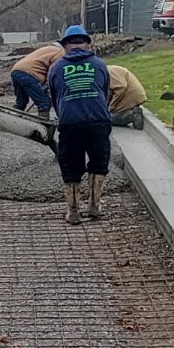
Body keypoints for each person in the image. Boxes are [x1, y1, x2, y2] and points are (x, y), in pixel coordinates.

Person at [46, 25, 112, 225]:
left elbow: (55, 98)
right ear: (87, 44)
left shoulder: (56, 69)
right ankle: (94, 206)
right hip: (98, 121)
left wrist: (66, 116)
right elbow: (105, 91)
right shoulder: (99, 65)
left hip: (71, 123)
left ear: (65, 45)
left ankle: (73, 212)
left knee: (71, 166)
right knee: (99, 163)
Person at [9, 41, 63, 117]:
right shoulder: (60, 52)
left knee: (21, 102)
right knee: (44, 103)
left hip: (16, 71)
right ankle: (44, 126)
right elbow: (52, 72)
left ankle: (12, 121)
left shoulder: (46, 49)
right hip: (28, 74)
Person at [107, 64, 148, 129]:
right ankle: (132, 113)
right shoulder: (109, 70)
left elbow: (121, 87)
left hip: (130, 95)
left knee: (106, 119)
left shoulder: (109, 71)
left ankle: (132, 115)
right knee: (106, 115)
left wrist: (111, 106)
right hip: (131, 95)